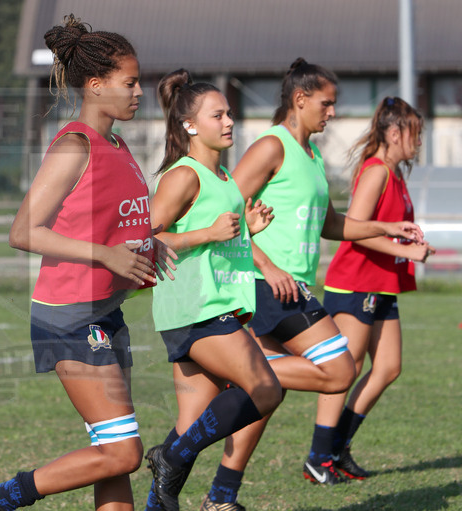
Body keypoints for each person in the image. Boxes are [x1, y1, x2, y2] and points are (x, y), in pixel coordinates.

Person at [0, 14, 176, 511]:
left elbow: (110, 222)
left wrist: (150, 242)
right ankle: (0, 498)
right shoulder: (74, 145)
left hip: (106, 312)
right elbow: (23, 232)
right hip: (69, 317)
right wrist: (105, 254)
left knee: (113, 453)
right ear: (96, 85)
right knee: (124, 452)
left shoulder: (118, 145)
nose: (139, 92)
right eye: (130, 82)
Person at [198, 58, 424, 509]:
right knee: (338, 371)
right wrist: (266, 265)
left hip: (294, 286)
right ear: (300, 100)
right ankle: (241, 370)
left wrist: (386, 228)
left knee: (265, 396)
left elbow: (331, 224)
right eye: (327, 103)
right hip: (266, 284)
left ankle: (220, 497)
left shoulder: (313, 156)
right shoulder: (271, 146)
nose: (333, 112)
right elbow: (224, 210)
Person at [141, 70, 282, 511]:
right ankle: (169, 458)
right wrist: (208, 233)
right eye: (217, 115)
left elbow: (217, 236)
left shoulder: (221, 177)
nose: (229, 122)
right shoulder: (183, 175)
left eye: (229, 114)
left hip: (212, 307)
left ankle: (157, 500)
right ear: (189, 124)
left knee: (190, 424)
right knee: (266, 389)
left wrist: (247, 230)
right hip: (196, 309)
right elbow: (144, 239)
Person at [311, 96, 434, 479]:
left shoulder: (394, 173)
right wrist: (407, 251)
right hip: (355, 283)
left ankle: (337, 447)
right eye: (415, 133)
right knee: (346, 369)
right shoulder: (376, 171)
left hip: (381, 285)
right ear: (394, 133)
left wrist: (409, 244)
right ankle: (319, 457)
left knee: (389, 367)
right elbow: (356, 229)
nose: (419, 141)